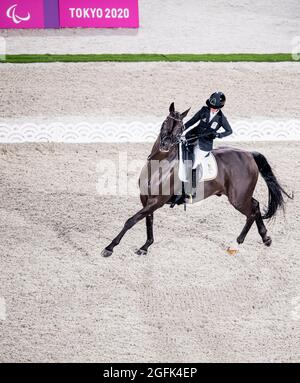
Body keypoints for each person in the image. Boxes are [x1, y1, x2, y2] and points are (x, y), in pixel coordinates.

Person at [177, 92, 232, 204]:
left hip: (204, 145)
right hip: (192, 137)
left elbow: (229, 131)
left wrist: (218, 135)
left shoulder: (221, 118)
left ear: (219, 108)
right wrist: (182, 128)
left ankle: (191, 192)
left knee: (194, 163)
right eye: (211, 106)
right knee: (182, 154)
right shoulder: (204, 110)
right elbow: (192, 121)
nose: (212, 109)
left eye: (215, 108)